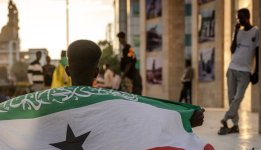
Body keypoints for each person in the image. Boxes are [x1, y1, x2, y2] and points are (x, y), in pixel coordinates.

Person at [65, 40, 204, 128]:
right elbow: (146, 116)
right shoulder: (113, 102)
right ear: (96, 72)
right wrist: (184, 119)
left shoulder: (46, 102)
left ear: (67, 71)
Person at [219, 8, 259, 135]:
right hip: (232, 68)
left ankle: (225, 118)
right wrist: (235, 32)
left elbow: (258, 53)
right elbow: (232, 49)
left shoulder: (255, 31)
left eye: (241, 17)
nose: (239, 20)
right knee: (231, 98)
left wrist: (256, 71)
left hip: (245, 71)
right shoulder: (239, 32)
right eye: (238, 18)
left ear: (248, 17)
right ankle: (235, 125)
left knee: (238, 98)